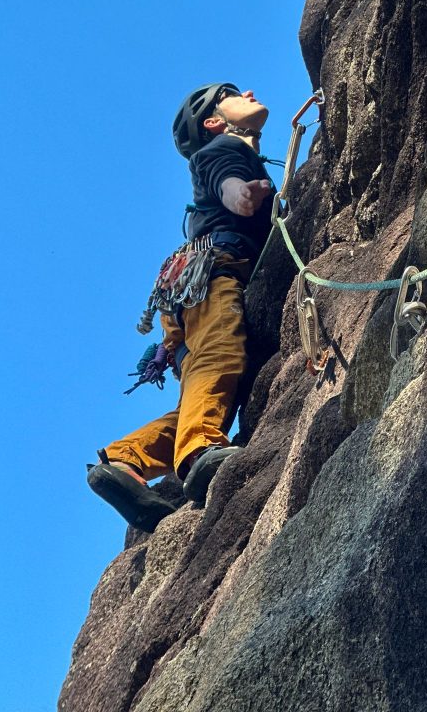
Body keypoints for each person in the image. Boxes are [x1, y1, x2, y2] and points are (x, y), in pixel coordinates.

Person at [88, 83, 274, 530]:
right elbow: (225, 179)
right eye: (231, 93)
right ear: (214, 122)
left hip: (188, 294)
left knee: (206, 392)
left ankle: (124, 462)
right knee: (218, 360)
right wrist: (242, 197)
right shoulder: (223, 147)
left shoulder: (224, 150)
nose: (246, 91)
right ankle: (198, 453)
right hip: (213, 276)